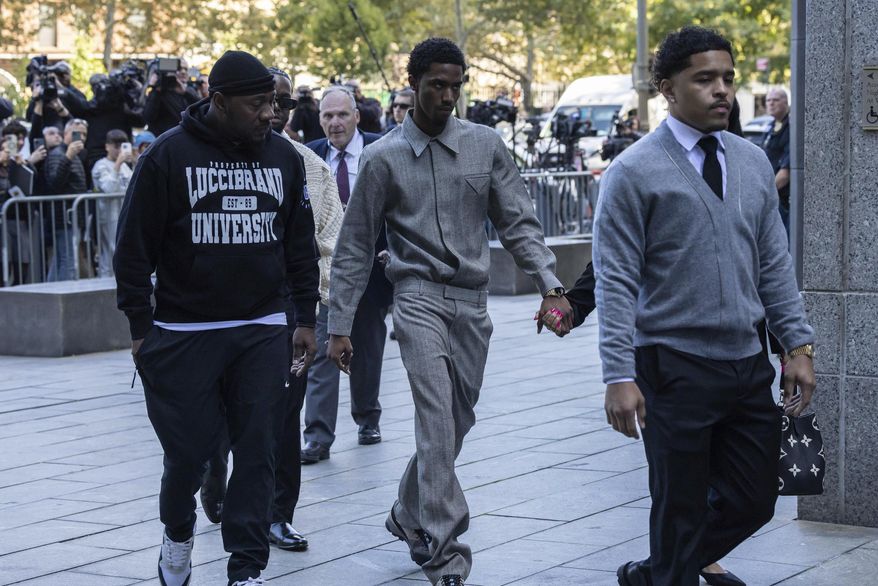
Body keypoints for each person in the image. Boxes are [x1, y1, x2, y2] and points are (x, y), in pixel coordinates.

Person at [326, 37, 569, 586]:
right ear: (411, 84)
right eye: (436, 84)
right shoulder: (382, 157)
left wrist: (550, 284)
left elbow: (519, 223)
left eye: (456, 85)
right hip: (415, 299)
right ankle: (445, 553)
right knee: (436, 423)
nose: (447, 95)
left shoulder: (485, 145)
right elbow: (355, 246)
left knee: (456, 424)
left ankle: (406, 512)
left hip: (473, 305)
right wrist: (339, 325)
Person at [590, 26, 815, 586]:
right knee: (680, 505)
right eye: (705, 79)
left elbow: (773, 265)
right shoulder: (632, 172)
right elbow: (615, 281)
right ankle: (668, 573)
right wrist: (618, 374)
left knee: (755, 499)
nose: (722, 91)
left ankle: (657, 572)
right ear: (666, 87)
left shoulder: (753, 161)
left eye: (728, 79)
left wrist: (798, 344)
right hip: (672, 366)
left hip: (745, 363)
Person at [113, 50, 319, 586]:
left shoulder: (284, 158)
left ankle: (246, 567)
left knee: (258, 447)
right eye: (257, 105)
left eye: (272, 104)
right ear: (219, 101)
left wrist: (305, 317)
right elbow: (132, 249)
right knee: (190, 454)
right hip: (184, 330)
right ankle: (178, 532)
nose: (268, 115)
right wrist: (140, 329)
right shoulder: (167, 156)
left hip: (261, 326)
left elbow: (300, 245)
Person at [199, 65, 344, 554]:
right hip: (218, 314)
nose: (274, 111)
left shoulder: (309, 167)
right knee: (218, 414)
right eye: (265, 101)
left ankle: (278, 514)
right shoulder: (208, 157)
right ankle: (214, 469)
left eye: (282, 102)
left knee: (283, 419)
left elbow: (329, 241)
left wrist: (311, 307)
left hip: (286, 315)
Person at [299, 86, 392, 464]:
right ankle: (318, 436)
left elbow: (397, 206)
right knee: (322, 349)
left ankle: (367, 417)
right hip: (324, 272)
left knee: (366, 347)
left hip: (369, 269)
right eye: (327, 116)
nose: (334, 122)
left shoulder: (379, 150)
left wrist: (393, 251)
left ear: (356, 116)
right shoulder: (310, 156)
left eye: (341, 114)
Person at [44, 118, 88, 281]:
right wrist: (68, 157)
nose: (81, 138)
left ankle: (49, 295)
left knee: (61, 259)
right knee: (67, 261)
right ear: (66, 133)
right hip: (65, 216)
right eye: (77, 133)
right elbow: (54, 183)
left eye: (84, 134)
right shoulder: (59, 154)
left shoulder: (75, 155)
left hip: (72, 216)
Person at [90, 129, 134, 277]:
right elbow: (108, 188)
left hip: (124, 214)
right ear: (107, 146)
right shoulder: (100, 165)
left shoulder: (126, 167)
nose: (119, 149)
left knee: (122, 249)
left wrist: (133, 162)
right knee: (111, 250)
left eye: (122, 145)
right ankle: (106, 280)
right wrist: (118, 163)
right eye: (116, 146)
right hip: (108, 215)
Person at [143, 58, 200, 136]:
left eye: (186, 69)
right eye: (179, 69)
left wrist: (185, 93)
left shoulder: (189, 91)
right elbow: (148, 117)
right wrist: (156, 90)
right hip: (163, 139)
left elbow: (200, 110)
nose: (183, 72)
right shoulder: (158, 91)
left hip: (185, 137)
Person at [762, 88, 791, 236]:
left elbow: (786, 173)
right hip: (773, 197)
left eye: (775, 100)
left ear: (786, 102)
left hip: (784, 200)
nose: (771, 103)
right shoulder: (771, 127)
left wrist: (764, 194)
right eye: (768, 100)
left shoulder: (792, 127)